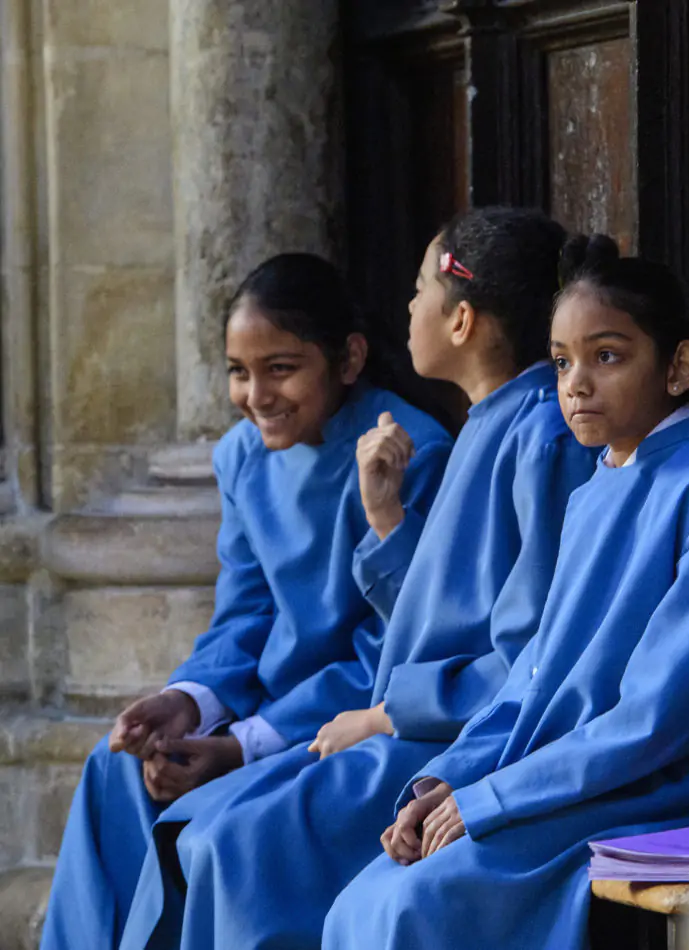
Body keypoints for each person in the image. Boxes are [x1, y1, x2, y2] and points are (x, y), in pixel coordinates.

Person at [116, 207, 599, 950]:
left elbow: (527, 655)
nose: (408, 308)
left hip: (452, 740)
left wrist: (385, 715)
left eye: (418, 290)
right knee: (198, 826)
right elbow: (442, 613)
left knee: (229, 843)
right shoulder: (486, 424)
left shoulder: (539, 438)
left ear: (462, 320)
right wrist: (386, 518)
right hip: (407, 720)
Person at [323, 238, 689, 950]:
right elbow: (531, 680)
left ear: (679, 367)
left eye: (607, 356)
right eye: (561, 361)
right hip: (560, 771)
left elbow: (660, 720)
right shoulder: (598, 484)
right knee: (359, 901)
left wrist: (495, 799)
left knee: (416, 906)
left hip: (656, 785)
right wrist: (445, 781)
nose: (575, 383)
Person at [40, 253, 453, 950]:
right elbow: (244, 612)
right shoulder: (240, 456)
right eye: (238, 371)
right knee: (117, 769)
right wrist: (187, 701)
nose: (256, 394)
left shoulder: (411, 452)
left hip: (348, 722)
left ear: (348, 359)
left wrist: (243, 747)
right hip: (257, 715)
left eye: (281, 368)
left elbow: (392, 646)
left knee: (221, 831)